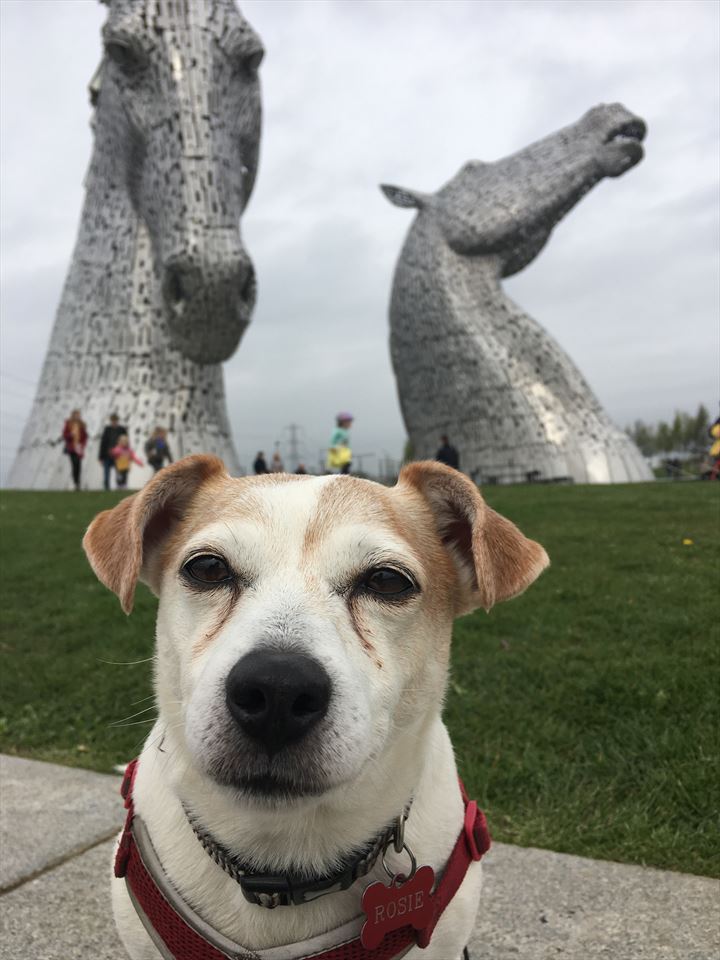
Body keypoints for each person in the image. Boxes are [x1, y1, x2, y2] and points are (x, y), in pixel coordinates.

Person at [99, 413, 127, 490]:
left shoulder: (122, 429)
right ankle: (106, 487)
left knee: (119, 471)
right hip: (107, 455)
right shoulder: (107, 429)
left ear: (117, 421)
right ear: (111, 421)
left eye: (115, 420)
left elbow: (126, 442)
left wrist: (125, 455)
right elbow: (103, 443)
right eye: (113, 420)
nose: (114, 422)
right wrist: (101, 457)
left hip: (118, 455)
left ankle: (119, 486)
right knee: (106, 473)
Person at [62, 409, 88, 491]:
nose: (78, 416)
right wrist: (70, 435)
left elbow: (85, 436)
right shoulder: (68, 423)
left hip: (79, 447)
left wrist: (82, 445)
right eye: (76, 415)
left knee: (78, 465)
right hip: (71, 447)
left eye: (79, 415)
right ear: (73, 415)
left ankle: (78, 483)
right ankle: (75, 482)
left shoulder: (82, 425)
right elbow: (65, 435)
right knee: (74, 464)